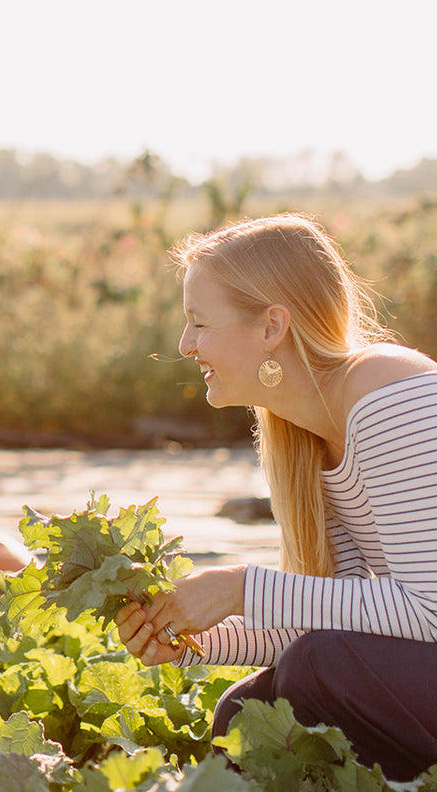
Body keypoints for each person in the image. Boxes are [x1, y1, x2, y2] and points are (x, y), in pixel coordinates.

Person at [115, 212, 437, 781]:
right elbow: (347, 612)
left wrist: (241, 587)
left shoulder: (386, 391)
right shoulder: (304, 435)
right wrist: (189, 638)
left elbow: (426, 613)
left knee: (317, 667)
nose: (185, 345)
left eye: (199, 323)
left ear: (271, 327)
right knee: (243, 713)